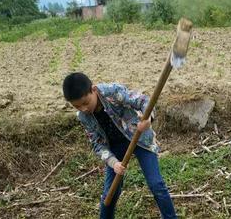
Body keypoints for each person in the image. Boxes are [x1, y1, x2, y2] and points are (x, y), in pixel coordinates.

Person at [62, 72, 177, 219]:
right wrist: (113, 162)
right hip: (115, 149)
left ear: (94, 90)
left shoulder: (112, 92)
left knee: (156, 185)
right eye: (77, 106)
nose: (83, 108)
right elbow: (97, 144)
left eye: (85, 103)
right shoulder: (84, 117)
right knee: (110, 194)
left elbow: (143, 100)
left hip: (139, 138)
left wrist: (148, 118)